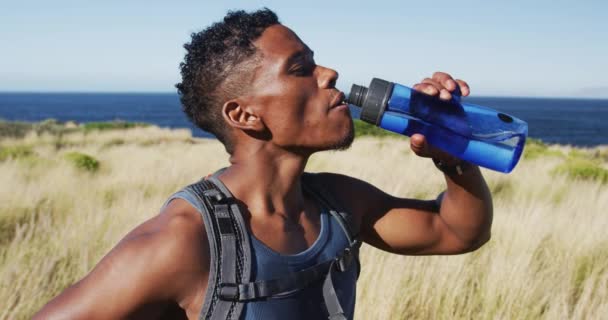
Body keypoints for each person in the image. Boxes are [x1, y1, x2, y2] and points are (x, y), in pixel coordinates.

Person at [34, 8, 492, 320]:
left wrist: (454, 158)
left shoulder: (340, 204)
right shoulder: (182, 241)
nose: (328, 74)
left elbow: (459, 232)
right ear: (244, 115)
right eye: (301, 68)